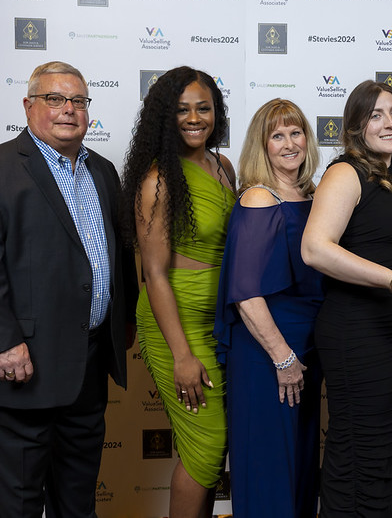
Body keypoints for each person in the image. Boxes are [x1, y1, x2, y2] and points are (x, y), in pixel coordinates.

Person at [0, 61, 137, 517]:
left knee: (78, 500)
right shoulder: (3, 168)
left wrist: (124, 322)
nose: (68, 110)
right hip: (26, 367)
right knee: (18, 500)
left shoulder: (103, 170)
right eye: (55, 99)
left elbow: (118, 257)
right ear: (28, 106)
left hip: (90, 364)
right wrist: (6, 342)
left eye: (78, 100)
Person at [301, 80, 392, 517]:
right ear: (357, 126)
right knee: (354, 457)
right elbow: (315, 248)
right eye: (376, 115)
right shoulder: (346, 172)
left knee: (379, 462)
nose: (389, 122)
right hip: (358, 334)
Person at [121, 66, 236, 518]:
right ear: (165, 117)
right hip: (177, 323)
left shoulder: (222, 166)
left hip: (220, 321)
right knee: (205, 446)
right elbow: (155, 274)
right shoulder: (158, 180)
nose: (194, 118)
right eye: (182, 109)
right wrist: (183, 355)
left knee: (210, 447)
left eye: (203, 108)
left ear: (216, 113)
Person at [214, 99, 324, 518]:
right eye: (277, 136)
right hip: (269, 354)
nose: (290, 143)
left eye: (296, 133)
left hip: (305, 349)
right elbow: (245, 293)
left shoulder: (310, 195)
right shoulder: (260, 198)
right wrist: (283, 358)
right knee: (268, 466)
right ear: (263, 146)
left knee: (297, 465)